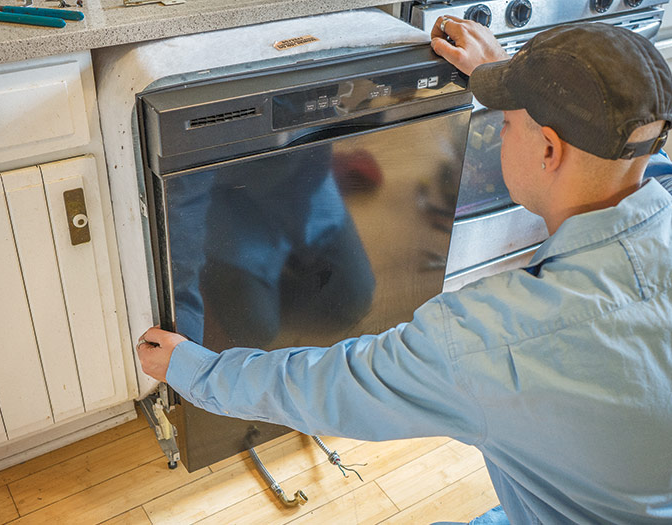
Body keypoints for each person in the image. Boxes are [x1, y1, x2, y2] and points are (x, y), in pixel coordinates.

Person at [137, 17, 672, 524]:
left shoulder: (490, 339)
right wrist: (502, 77)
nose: (501, 132)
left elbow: (331, 387)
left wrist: (195, 372)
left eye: (507, 123)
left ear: (550, 149)